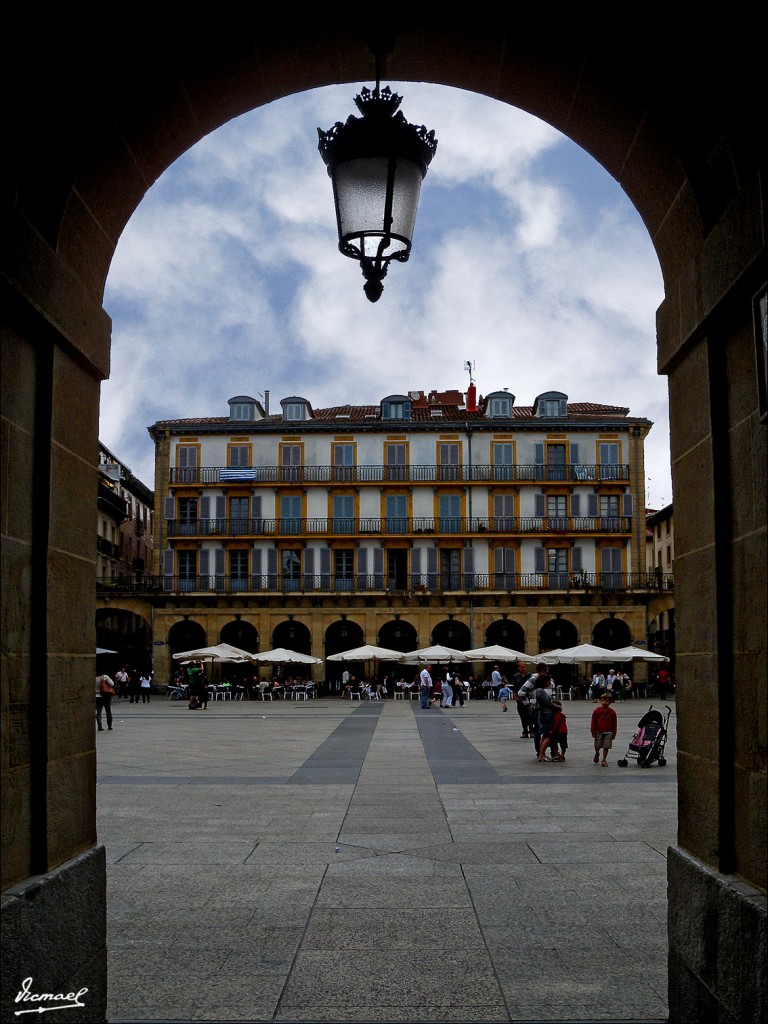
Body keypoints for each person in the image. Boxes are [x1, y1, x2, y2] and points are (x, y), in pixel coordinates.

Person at [533, 664, 557, 761]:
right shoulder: (540, 691)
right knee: (548, 735)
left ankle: (542, 754)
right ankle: (542, 754)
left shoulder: (539, 690)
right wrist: (557, 708)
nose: (550, 683)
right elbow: (547, 703)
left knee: (544, 735)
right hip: (545, 715)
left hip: (545, 714)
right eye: (548, 681)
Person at [591, 694, 618, 766]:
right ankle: (597, 753)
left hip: (608, 732)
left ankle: (604, 759)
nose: (604, 702)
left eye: (607, 701)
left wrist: (614, 733)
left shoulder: (612, 712)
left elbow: (614, 723)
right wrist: (593, 732)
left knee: (606, 746)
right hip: (598, 731)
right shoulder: (596, 711)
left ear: (610, 702)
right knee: (597, 745)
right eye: (603, 700)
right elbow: (593, 722)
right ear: (600, 701)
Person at [512, 662, 533, 737]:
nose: (523, 669)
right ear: (518, 668)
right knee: (522, 715)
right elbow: (515, 687)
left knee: (530, 715)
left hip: (529, 697)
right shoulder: (516, 676)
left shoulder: (530, 676)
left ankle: (532, 731)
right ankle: (525, 731)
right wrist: (515, 695)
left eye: (524, 667)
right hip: (520, 698)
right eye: (521, 667)